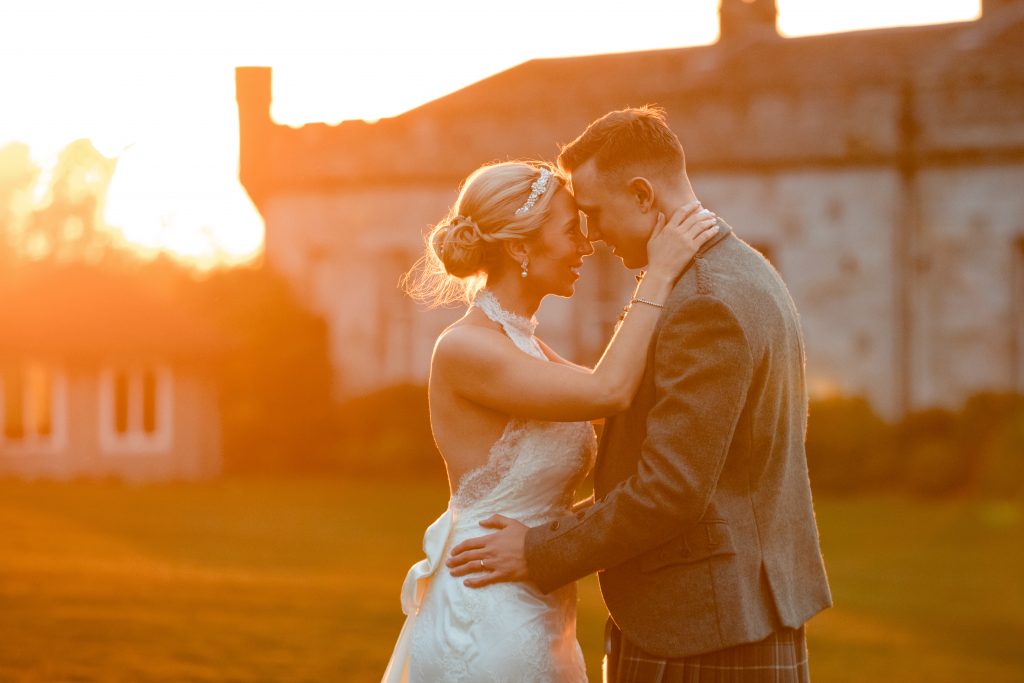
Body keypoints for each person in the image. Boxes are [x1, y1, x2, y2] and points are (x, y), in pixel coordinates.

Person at [446, 107, 832, 682]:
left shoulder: (703, 300)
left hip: (702, 621)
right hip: (729, 609)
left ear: (643, 194)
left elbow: (672, 489)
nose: (592, 237)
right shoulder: (744, 269)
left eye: (595, 214)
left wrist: (538, 550)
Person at [382, 159, 720, 682]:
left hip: (537, 602)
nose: (587, 246)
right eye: (571, 230)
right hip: (487, 608)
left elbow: (630, 401)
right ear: (520, 247)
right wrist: (659, 272)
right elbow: (609, 391)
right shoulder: (466, 348)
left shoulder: (528, 347)